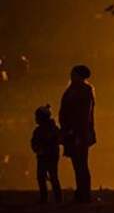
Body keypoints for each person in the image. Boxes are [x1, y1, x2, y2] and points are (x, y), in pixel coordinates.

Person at [59, 65, 96, 203]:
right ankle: (81, 192)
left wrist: (78, 133)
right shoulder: (72, 90)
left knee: (81, 163)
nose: (71, 76)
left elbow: (84, 116)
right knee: (78, 163)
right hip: (73, 132)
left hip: (79, 132)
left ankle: (84, 193)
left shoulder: (83, 91)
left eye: (73, 74)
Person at [31, 105, 62, 203]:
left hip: (49, 156)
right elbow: (34, 143)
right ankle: (53, 198)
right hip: (46, 155)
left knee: (50, 177)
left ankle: (52, 198)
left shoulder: (44, 130)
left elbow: (58, 139)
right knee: (45, 177)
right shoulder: (47, 129)